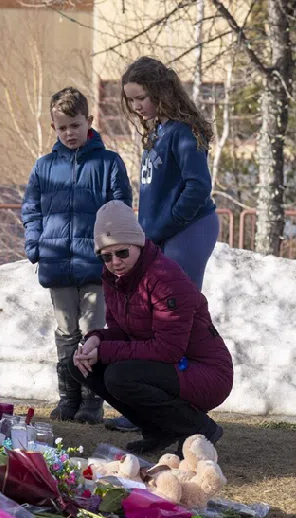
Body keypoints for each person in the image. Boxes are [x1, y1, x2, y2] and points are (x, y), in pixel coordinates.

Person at [107, 57, 219, 434]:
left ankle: (177, 407)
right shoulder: (157, 131)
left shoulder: (183, 132)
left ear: (160, 92)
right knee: (150, 318)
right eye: (131, 101)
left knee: (173, 322)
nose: (136, 107)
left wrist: (165, 228)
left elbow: (198, 188)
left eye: (141, 98)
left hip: (188, 232)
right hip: (159, 235)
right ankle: (149, 401)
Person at [70, 201, 232, 454]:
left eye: (122, 252)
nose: (115, 262)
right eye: (106, 256)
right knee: (81, 366)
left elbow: (168, 351)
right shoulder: (114, 279)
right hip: (169, 365)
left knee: (119, 376)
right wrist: (95, 340)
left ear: (139, 244)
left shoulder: (165, 278)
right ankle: (158, 430)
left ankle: (199, 428)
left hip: (203, 371)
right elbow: (119, 331)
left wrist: (104, 351)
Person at [22, 87, 132, 424]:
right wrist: (35, 244)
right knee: (65, 331)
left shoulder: (109, 162)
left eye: (75, 125)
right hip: (56, 262)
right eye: (62, 127)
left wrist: (112, 253)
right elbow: (31, 209)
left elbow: (120, 209)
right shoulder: (44, 167)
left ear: (90, 121)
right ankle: (68, 397)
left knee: (93, 330)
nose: (69, 133)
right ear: (53, 127)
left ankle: (92, 400)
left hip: (96, 265)